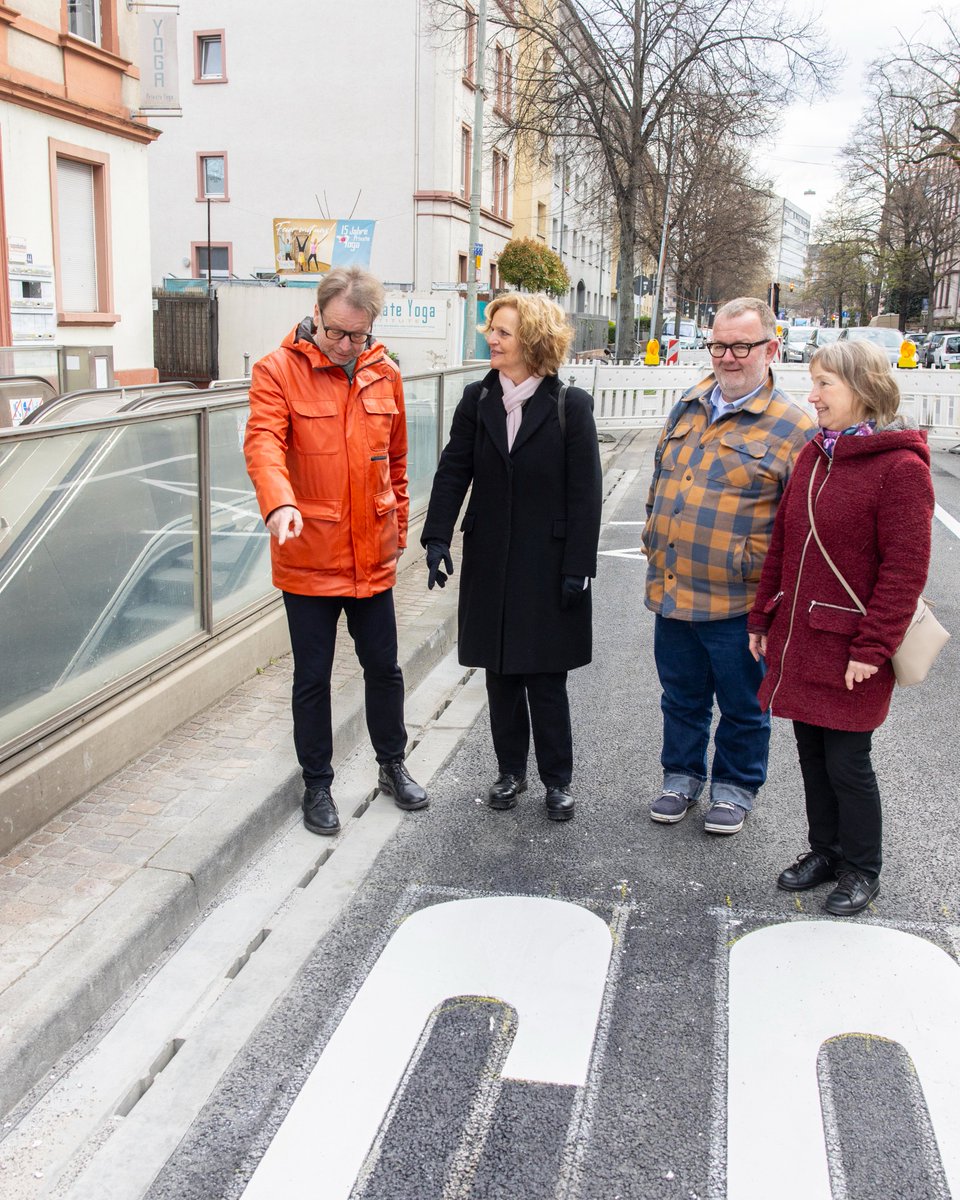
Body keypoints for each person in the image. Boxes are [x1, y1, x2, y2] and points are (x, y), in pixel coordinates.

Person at [748, 339, 934, 915]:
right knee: (810, 752)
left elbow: (905, 572)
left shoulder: (901, 469)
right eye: (815, 382)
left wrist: (873, 648)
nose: (814, 395)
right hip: (802, 639)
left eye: (826, 383)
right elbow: (784, 543)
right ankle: (824, 852)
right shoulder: (815, 454)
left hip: (853, 647)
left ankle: (861, 868)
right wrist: (762, 617)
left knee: (848, 763)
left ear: (863, 389)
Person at [244, 266, 427, 837]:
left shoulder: (385, 374)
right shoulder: (276, 371)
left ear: (372, 329)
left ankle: (392, 766)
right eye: (336, 333)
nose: (346, 346)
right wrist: (278, 504)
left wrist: (396, 529)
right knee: (312, 676)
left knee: (384, 669)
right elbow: (264, 443)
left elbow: (395, 464)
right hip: (308, 552)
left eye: (359, 336)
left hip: (372, 552)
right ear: (317, 315)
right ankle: (317, 784)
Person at [421, 293, 602, 821]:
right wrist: (436, 538)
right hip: (491, 559)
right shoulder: (476, 400)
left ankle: (557, 782)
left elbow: (585, 493)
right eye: (491, 330)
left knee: (545, 677)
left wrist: (578, 567)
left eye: (502, 332)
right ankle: (509, 772)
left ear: (534, 341)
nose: (491, 339)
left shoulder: (570, 406)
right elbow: (455, 470)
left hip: (547, 564)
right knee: (499, 673)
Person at [643, 297, 816, 834]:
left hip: (740, 602)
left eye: (741, 346)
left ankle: (735, 788)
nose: (728, 356)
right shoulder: (690, 404)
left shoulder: (795, 427)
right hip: (673, 591)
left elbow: (799, 530)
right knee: (681, 697)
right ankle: (681, 778)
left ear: (770, 349)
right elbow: (659, 482)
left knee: (743, 705)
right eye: (719, 345)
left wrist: (779, 608)